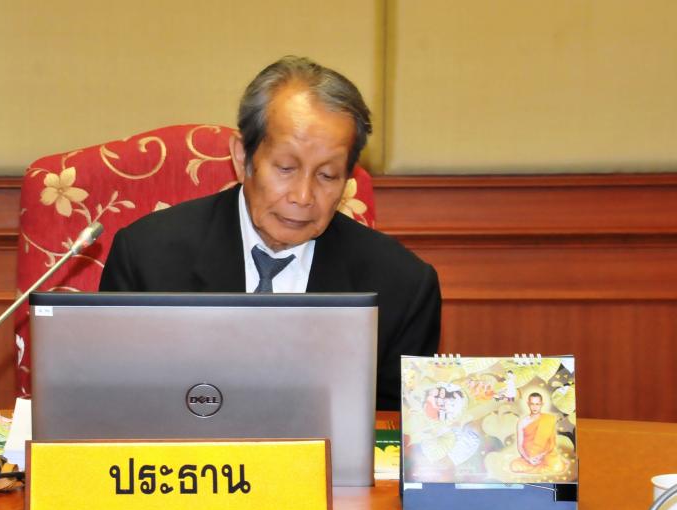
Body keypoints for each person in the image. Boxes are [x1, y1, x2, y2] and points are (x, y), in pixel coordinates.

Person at [99, 56, 441, 410]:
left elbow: (394, 430)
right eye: (286, 168)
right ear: (242, 158)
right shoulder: (147, 258)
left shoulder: (402, 287)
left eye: (327, 175)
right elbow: (110, 403)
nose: (303, 196)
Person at [510, 392, 566, 474]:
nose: (535, 407)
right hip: (529, 457)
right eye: (532, 404)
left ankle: (537, 467)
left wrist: (542, 455)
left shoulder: (549, 419)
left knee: (557, 466)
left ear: (542, 404)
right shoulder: (522, 422)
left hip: (545, 455)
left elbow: (552, 443)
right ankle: (538, 467)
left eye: (537, 404)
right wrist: (528, 459)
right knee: (514, 465)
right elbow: (520, 445)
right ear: (528, 404)